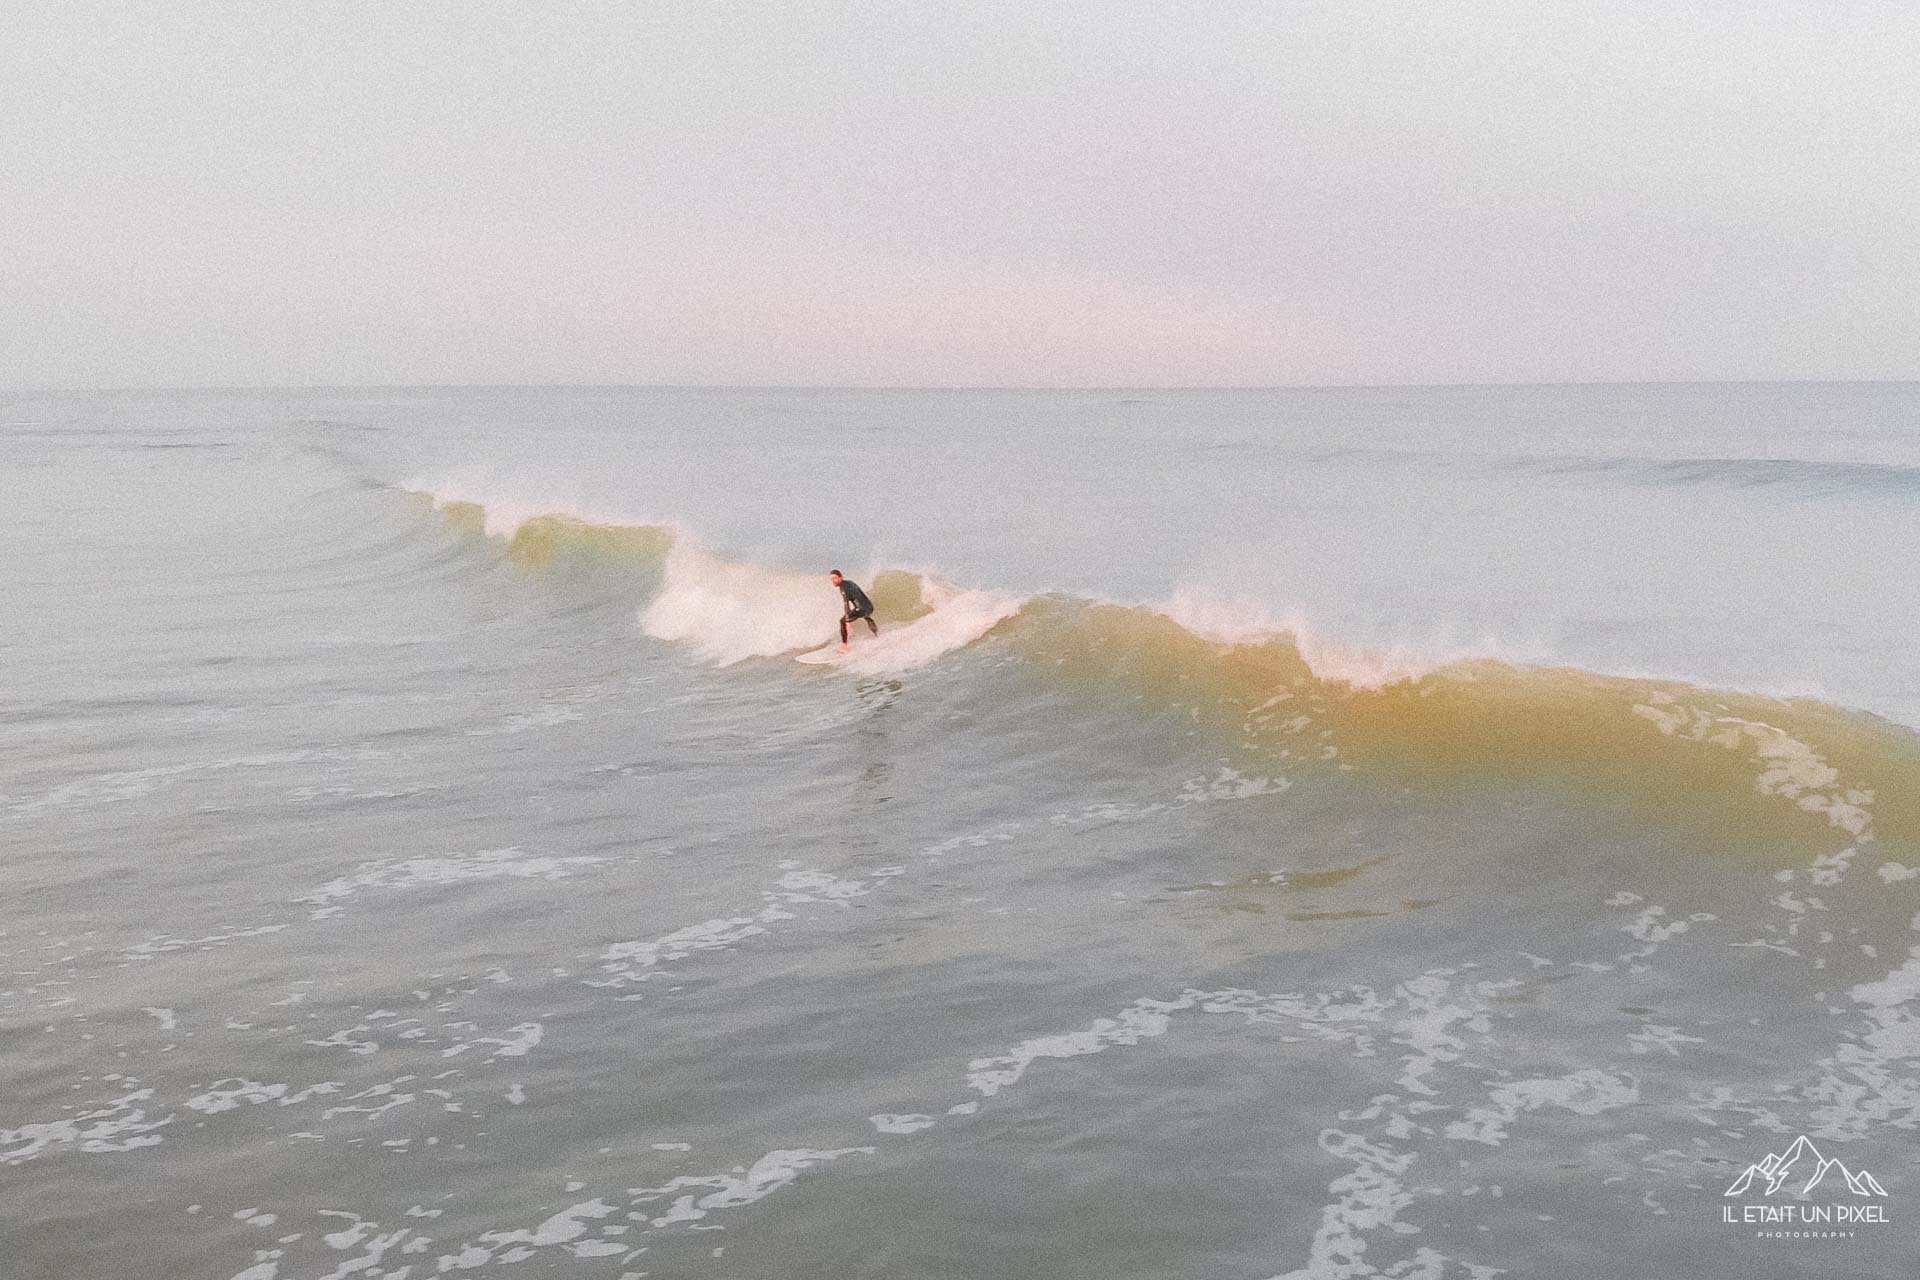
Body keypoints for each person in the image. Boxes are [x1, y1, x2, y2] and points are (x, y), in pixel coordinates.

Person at [830, 570, 878, 652]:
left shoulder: (843, 588)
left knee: (842, 621)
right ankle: (876, 635)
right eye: (832, 579)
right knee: (867, 617)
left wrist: (847, 621)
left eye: (835, 578)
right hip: (869, 606)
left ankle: (845, 646)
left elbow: (846, 604)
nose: (833, 581)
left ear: (841, 577)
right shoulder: (850, 582)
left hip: (861, 608)